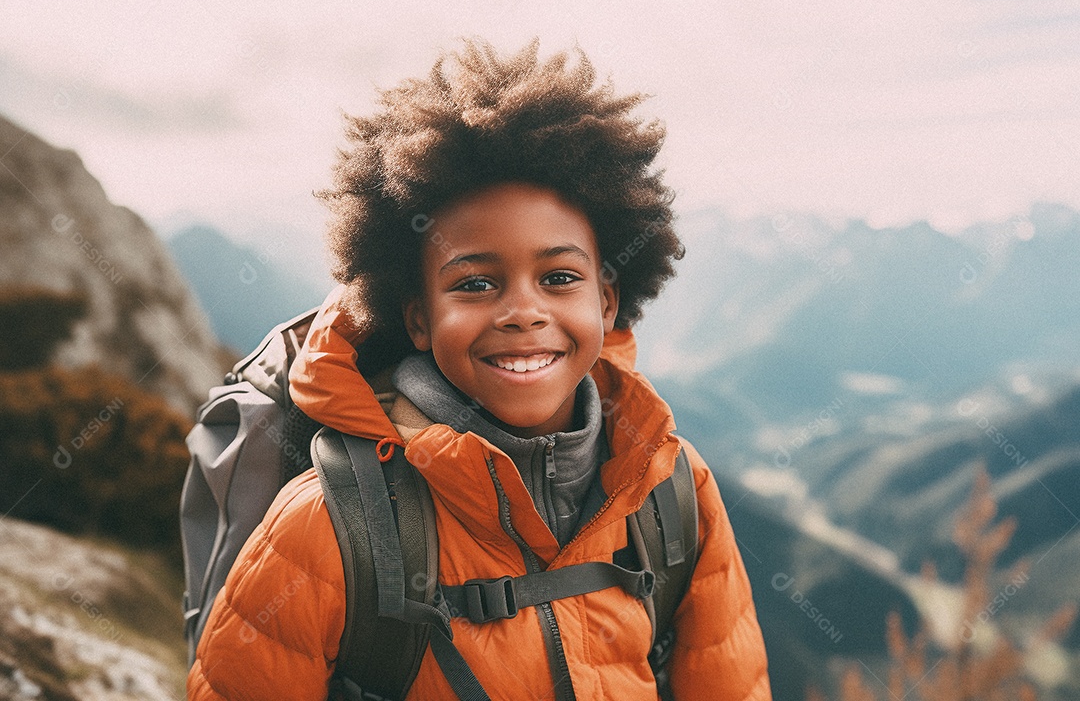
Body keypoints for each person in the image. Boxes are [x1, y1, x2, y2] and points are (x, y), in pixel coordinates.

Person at [187, 39, 771, 700]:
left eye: (558, 277)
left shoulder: (674, 491)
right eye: (475, 284)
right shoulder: (325, 526)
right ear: (417, 318)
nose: (523, 311)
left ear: (606, 301)